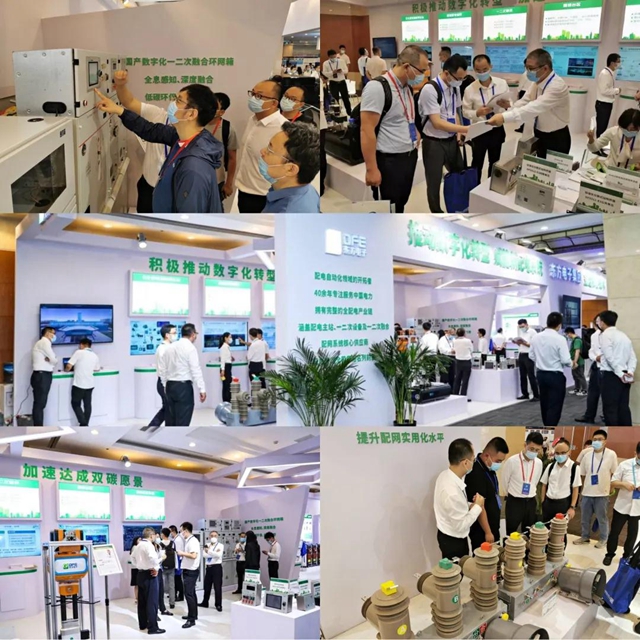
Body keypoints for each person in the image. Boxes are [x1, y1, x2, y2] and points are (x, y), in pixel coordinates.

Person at [95, 85, 223, 213]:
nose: (172, 104)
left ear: (191, 114)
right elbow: (149, 130)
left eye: (178, 100)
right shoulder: (182, 137)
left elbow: (189, 218)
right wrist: (119, 110)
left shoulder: (194, 167)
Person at [361, 45, 429, 213]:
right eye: (422, 71)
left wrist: (415, 132)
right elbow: (366, 130)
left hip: (409, 156)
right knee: (388, 208)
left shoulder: (406, 87)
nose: (424, 75)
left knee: (400, 203)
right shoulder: (377, 87)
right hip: (389, 161)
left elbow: (404, 117)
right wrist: (371, 169)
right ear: (407, 67)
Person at [487, 49, 571, 159]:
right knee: (539, 166)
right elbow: (525, 101)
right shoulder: (536, 82)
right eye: (526, 68)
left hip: (556, 138)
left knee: (554, 169)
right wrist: (509, 108)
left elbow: (534, 108)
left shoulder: (556, 86)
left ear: (545, 68)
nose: (527, 72)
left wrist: (504, 118)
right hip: (539, 134)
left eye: (531, 68)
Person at [418, 53, 470, 213]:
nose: (460, 81)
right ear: (447, 73)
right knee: (433, 182)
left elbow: (455, 113)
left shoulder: (455, 88)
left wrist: (459, 134)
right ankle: (436, 213)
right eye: (458, 78)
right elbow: (437, 123)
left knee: (459, 173)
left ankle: (459, 207)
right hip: (433, 142)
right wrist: (464, 129)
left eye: (463, 78)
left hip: (451, 140)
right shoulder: (430, 89)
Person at [111, 69, 167, 212]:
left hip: (169, 192)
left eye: (179, 101)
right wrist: (121, 85)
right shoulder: (160, 115)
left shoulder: (196, 140)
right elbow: (129, 102)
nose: (173, 103)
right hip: (148, 184)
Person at [236, 78, 287, 213]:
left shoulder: (283, 128)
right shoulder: (252, 120)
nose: (253, 98)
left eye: (259, 96)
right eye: (252, 94)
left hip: (265, 195)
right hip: (244, 189)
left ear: (274, 103)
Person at [434, 438, 484, 559]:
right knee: (457, 570)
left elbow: (456, 505)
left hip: (449, 536)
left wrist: (470, 505)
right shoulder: (452, 492)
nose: (474, 463)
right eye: (473, 460)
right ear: (465, 463)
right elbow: (461, 525)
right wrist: (477, 507)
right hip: (453, 541)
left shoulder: (446, 475)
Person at [462, 54, 508, 179]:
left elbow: (510, 105)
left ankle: (490, 187)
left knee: (495, 162)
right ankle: (474, 186)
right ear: (474, 69)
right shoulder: (470, 89)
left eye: (485, 69)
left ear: (490, 67)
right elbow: (465, 111)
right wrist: (477, 113)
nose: (482, 73)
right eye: (478, 70)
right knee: (477, 162)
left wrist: (507, 106)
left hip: (497, 128)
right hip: (479, 130)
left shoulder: (501, 84)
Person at [261, 122, 321, 213]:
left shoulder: (286, 214)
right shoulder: (307, 190)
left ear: (290, 169)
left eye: (270, 150)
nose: (262, 151)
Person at [574, 430, 617, 548]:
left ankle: (603, 539)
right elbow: (582, 474)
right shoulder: (587, 455)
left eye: (600, 439)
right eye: (595, 439)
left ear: (605, 441)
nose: (597, 441)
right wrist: (582, 490)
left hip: (602, 493)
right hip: (587, 492)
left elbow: (615, 473)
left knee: (602, 518)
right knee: (584, 518)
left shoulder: (611, 454)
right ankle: (584, 537)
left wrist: (611, 488)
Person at [465, 437, 509, 552]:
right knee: (484, 559)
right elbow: (479, 506)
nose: (499, 464)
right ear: (486, 456)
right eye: (498, 461)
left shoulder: (489, 469)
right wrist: (488, 532)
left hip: (492, 525)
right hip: (482, 531)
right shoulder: (475, 473)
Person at [529, 312, 572, 426]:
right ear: (559, 325)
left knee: (544, 402)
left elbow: (531, 355)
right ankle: (551, 428)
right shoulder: (560, 339)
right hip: (555, 375)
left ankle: (546, 425)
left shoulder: (535, 337)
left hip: (541, 374)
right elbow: (565, 360)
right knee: (555, 405)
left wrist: (542, 361)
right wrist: (572, 364)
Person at [161, 324, 206, 427]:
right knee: (182, 422)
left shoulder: (170, 347)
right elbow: (195, 369)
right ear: (193, 334)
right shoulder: (190, 348)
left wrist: (164, 385)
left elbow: (163, 369)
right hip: (183, 387)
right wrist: (202, 389)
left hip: (170, 386)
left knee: (171, 421)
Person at [604, 442, 640, 566]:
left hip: (637, 509)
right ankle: (609, 554)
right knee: (615, 532)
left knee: (632, 535)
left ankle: (626, 557)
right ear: (636, 453)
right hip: (622, 506)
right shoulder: (625, 465)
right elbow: (613, 482)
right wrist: (623, 484)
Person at [598, 310, 637, 426]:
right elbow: (633, 357)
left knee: (610, 409)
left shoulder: (605, 335)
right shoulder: (623, 335)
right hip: (625, 374)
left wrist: (620, 374)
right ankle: (628, 434)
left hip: (612, 375)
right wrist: (630, 372)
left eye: (599, 321)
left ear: (603, 322)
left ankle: (613, 435)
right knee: (623, 407)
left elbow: (609, 358)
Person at [540, 438, 581, 546]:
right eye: (557, 453)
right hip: (548, 503)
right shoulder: (550, 466)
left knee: (560, 533)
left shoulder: (574, 468)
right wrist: (543, 501)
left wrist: (572, 507)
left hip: (563, 504)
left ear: (569, 452)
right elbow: (544, 484)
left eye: (563, 453)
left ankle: (560, 553)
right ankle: (546, 552)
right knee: (546, 531)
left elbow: (575, 489)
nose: (560, 455)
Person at [502, 432, 544, 535]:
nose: (534, 452)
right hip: (515, 502)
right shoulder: (512, 461)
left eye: (537, 450)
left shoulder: (539, 463)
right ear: (525, 445)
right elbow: (504, 482)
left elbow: (536, 481)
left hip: (531, 502)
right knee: (511, 531)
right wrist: (512, 494)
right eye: (531, 449)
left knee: (529, 532)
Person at [206, 92, 239, 205]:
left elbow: (232, 159)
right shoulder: (196, 124)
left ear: (222, 112)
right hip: (195, 179)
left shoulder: (227, 129)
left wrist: (228, 184)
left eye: (214, 106)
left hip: (216, 181)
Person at [65, 338, 100, 426]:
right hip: (90, 384)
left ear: (82, 344)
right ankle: (85, 424)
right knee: (87, 405)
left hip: (79, 384)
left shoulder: (78, 352)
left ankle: (83, 423)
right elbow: (97, 369)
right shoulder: (95, 355)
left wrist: (66, 370)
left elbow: (69, 366)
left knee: (75, 403)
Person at [136, 527, 165, 635]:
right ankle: (153, 628)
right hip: (150, 575)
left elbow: (133, 558)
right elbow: (154, 559)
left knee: (142, 602)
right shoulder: (149, 545)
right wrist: (160, 561)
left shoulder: (138, 545)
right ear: (151, 535)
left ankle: (143, 624)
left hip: (140, 574)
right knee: (152, 602)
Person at [575, 316, 603, 425]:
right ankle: (590, 416)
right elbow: (591, 351)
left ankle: (604, 416)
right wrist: (596, 357)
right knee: (593, 393)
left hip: (606, 368)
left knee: (604, 394)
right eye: (597, 321)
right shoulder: (595, 335)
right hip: (597, 366)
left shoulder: (610, 335)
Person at [149, 324, 176, 427]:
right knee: (168, 409)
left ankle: (150, 429)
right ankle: (150, 428)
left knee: (168, 409)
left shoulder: (169, 347)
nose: (176, 335)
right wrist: (165, 386)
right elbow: (163, 370)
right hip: (164, 382)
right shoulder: (163, 349)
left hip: (168, 382)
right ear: (167, 335)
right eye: (174, 333)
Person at [31, 326, 57, 426]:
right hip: (42, 376)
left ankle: (38, 426)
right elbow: (54, 360)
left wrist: (50, 359)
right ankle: (38, 427)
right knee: (40, 404)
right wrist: (51, 359)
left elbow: (52, 359)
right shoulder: (44, 342)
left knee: (39, 403)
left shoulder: (43, 343)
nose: (54, 336)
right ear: (47, 333)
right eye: (53, 333)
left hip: (41, 376)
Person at [176, 522, 200, 629]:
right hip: (188, 570)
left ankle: (191, 620)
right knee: (192, 594)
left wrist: (182, 553)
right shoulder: (189, 541)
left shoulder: (193, 541)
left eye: (181, 531)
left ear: (185, 530)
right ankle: (193, 615)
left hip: (190, 571)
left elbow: (193, 555)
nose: (181, 533)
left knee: (189, 595)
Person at [595, 53, 622, 144]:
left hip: (606, 104)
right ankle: (598, 146)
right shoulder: (605, 74)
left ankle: (600, 145)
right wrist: (617, 90)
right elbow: (604, 90)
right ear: (612, 63)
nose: (619, 64)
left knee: (603, 126)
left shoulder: (609, 73)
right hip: (603, 104)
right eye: (618, 62)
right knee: (601, 127)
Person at [515, 318, 539, 401]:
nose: (521, 328)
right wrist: (518, 343)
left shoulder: (532, 332)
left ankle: (536, 395)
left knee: (531, 375)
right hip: (521, 354)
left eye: (522, 326)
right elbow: (521, 345)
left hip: (529, 355)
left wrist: (523, 343)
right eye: (520, 327)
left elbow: (533, 345)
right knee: (522, 376)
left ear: (526, 324)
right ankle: (525, 394)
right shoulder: (521, 333)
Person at [199, 530, 224, 612]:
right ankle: (205, 602)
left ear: (217, 536)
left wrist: (209, 551)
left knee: (217, 587)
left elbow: (219, 555)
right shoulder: (207, 544)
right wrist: (212, 553)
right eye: (212, 535)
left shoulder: (220, 545)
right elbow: (204, 555)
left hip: (217, 568)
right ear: (209, 536)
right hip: (208, 568)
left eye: (215, 535)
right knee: (207, 586)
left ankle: (218, 604)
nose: (213, 537)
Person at [322, 49, 352, 116]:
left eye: (334, 56)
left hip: (342, 82)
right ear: (329, 57)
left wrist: (341, 71)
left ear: (336, 55)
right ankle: (337, 113)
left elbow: (346, 71)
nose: (333, 58)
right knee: (335, 99)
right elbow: (325, 73)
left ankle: (349, 112)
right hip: (333, 82)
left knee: (346, 98)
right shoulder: (325, 63)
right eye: (332, 57)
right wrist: (332, 72)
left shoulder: (341, 61)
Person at [565, 327, 587, 396]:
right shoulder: (574, 340)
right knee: (575, 376)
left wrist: (575, 361)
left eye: (567, 334)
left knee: (580, 376)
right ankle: (577, 388)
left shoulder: (577, 340)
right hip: (574, 361)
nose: (567, 336)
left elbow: (577, 352)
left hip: (578, 362)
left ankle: (584, 390)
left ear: (569, 333)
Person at [154, 534, 173, 618]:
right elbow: (154, 561)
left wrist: (162, 557)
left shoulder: (159, 547)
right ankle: (154, 613)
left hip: (159, 570)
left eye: (158, 536)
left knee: (161, 591)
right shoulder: (150, 548)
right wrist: (162, 558)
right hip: (153, 571)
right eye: (156, 536)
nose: (157, 538)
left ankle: (163, 609)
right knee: (154, 593)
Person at [452, 328, 473, 398]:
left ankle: (455, 395)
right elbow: (471, 350)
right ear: (464, 333)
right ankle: (463, 395)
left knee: (457, 379)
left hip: (458, 361)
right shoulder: (468, 341)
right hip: (466, 361)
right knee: (465, 380)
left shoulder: (455, 341)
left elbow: (454, 350)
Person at [515, 60, 534, 133]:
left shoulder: (525, 74)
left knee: (522, 111)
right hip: (530, 92)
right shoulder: (533, 74)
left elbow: (520, 85)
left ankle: (521, 127)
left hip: (523, 92)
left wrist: (518, 93)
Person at [160, 528, 176, 610]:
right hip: (171, 566)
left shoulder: (159, 544)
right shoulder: (173, 543)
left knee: (161, 586)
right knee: (171, 586)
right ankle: (172, 603)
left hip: (162, 567)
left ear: (163, 534)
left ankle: (161, 603)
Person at [169, 525, 184, 602]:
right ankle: (174, 593)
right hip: (176, 560)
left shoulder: (177, 540)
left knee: (178, 579)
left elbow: (177, 552)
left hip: (178, 560)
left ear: (173, 531)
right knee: (175, 579)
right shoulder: (175, 539)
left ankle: (181, 595)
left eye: (170, 532)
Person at [219, 332, 233, 403]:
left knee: (228, 384)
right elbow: (223, 360)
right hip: (225, 368)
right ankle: (226, 400)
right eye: (230, 337)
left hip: (228, 367)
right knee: (226, 385)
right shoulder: (224, 347)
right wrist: (223, 370)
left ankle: (228, 400)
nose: (231, 339)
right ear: (225, 338)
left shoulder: (227, 347)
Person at [129, 536, 141, 604]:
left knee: (136, 584)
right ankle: (137, 598)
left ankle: (136, 598)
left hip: (135, 568)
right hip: (137, 568)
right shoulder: (136, 547)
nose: (140, 541)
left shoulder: (133, 547)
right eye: (139, 539)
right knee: (137, 584)